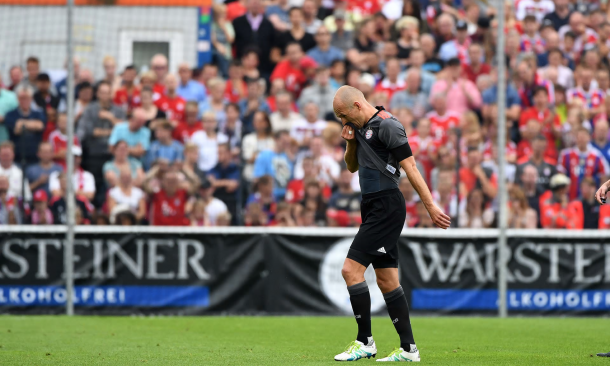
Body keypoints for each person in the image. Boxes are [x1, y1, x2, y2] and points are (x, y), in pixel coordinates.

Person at [331, 86, 450, 362]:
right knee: (386, 280)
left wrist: (430, 206)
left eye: (343, 115)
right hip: (372, 205)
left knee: (350, 271)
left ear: (358, 106)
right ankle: (409, 350)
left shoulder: (388, 125)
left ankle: (365, 342)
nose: (342, 121)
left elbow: (411, 167)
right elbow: (351, 167)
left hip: (386, 206)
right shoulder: (358, 128)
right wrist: (350, 141)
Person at [76, 80, 126, 197]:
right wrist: (112, 131)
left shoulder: (118, 111)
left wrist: (110, 118)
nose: (104, 96)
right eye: (102, 93)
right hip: (94, 154)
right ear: (97, 94)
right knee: (95, 184)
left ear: (111, 94)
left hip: (112, 154)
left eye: (107, 93)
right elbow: (89, 131)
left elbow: (123, 130)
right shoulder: (90, 109)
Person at [558, 127, 609, 201]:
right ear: (575, 138)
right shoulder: (566, 155)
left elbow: (603, 177)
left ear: (589, 138)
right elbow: (560, 177)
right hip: (570, 197)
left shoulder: (597, 156)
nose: (581, 139)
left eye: (584, 136)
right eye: (579, 137)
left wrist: (601, 196)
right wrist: (562, 196)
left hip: (591, 199)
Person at [232, 0, 277, 77]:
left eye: (257, 3)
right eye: (253, 3)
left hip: (264, 66)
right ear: (247, 4)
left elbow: (273, 43)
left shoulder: (268, 24)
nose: (255, 6)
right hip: (242, 66)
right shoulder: (237, 22)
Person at [4, 85, 46, 166]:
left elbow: (40, 125)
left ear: (31, 99)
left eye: (27, 98)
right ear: (18, 99)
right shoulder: (11, 114)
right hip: (17, 158)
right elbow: (16, 130)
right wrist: (33, 124)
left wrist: (21, 123)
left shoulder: (38, 113)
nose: (25, 101)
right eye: (22, 98)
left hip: (35, 158)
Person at [253, 130, 294, 200]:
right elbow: (258, 177)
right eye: (284, 141)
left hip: (286, 196)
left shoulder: (289, 157)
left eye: (288, 142)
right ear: (276, 139)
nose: (286, 144)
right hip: (270, 195)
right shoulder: (265, 155)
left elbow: (292, 178)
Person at [208, 143, 240, 223]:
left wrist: (217, 183)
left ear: (229, 153)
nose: (219, 155)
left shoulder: (235, 168)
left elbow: (233, 185)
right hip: (216, 206)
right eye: (218, 153)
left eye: (221, 152)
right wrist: (226, 183)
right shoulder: (214, 168)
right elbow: (210, 183)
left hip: (232, 206)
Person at [242, 111, 275, 181]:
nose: (256, 123)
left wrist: (257, 155)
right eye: (255, 120)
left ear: (266, 123)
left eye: (259, 121)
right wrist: (266, 154)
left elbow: (274, 157)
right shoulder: (248, 139)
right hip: (252, 176)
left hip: (270, 176)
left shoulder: (273, 140)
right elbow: (249, 159)